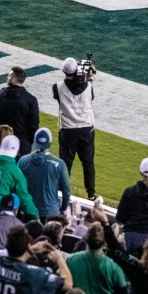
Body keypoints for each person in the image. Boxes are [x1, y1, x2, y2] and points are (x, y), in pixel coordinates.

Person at [52, 57, 97, 198]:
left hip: (68, 130)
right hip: (86, 129)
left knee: (65, 163)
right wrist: (88, 79)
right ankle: (91, 194)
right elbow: (91, 97)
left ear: (64, 71)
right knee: (88, 163)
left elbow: (60, 95)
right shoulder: (88, 86)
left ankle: (62, 192)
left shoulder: (57, 87)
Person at [19, 128, 71, 219]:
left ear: (35, 141)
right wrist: (63, 209)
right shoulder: (60, 164)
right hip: (51, 213)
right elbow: (66, 191)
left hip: (28, 212)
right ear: (50, 143)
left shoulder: (23, 161)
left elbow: (16, 187)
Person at [0, 66, 38, 153]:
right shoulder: (31, 100)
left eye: (9, 75)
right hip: (22, 144)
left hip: (2, 141)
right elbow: (34, 125)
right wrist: (28, 142)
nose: (7, 77)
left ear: (14, 79)